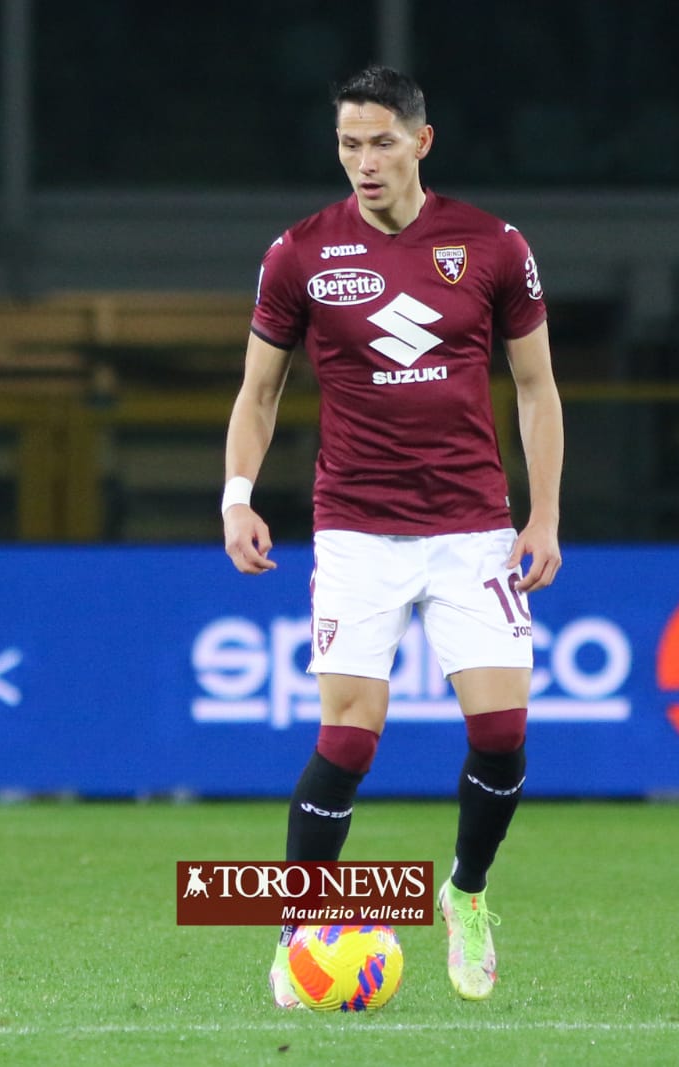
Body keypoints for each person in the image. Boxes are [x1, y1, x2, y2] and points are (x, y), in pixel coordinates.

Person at [221, 65, 564, 1006]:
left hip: (473, 526)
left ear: (422, 140)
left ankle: (466, 893)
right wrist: (237, 497)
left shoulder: (492, 246)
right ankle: (297, 929)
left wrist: (543, 513)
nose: (363, 162)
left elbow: (537, 387)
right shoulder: (299, 253)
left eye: (380, 142)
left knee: (502, 733)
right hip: (357, 530)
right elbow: (259, 392)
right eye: (348, 144)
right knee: (348, 739)